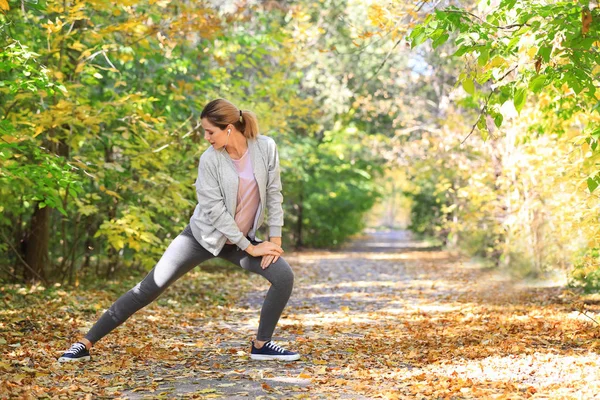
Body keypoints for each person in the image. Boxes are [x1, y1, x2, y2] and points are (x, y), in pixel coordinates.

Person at [58, 98, 300, 362]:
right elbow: (215, 212)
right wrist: (250, 247)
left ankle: (262, 344)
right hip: (201, 238)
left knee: (283, 276)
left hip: (241, 241)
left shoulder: (265, 148)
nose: (206, 137)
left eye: (210, 131)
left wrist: (274, 241)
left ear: (229, 128)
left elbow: (274, 193)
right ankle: (84, 343)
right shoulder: (209, 160)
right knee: (148, 288)